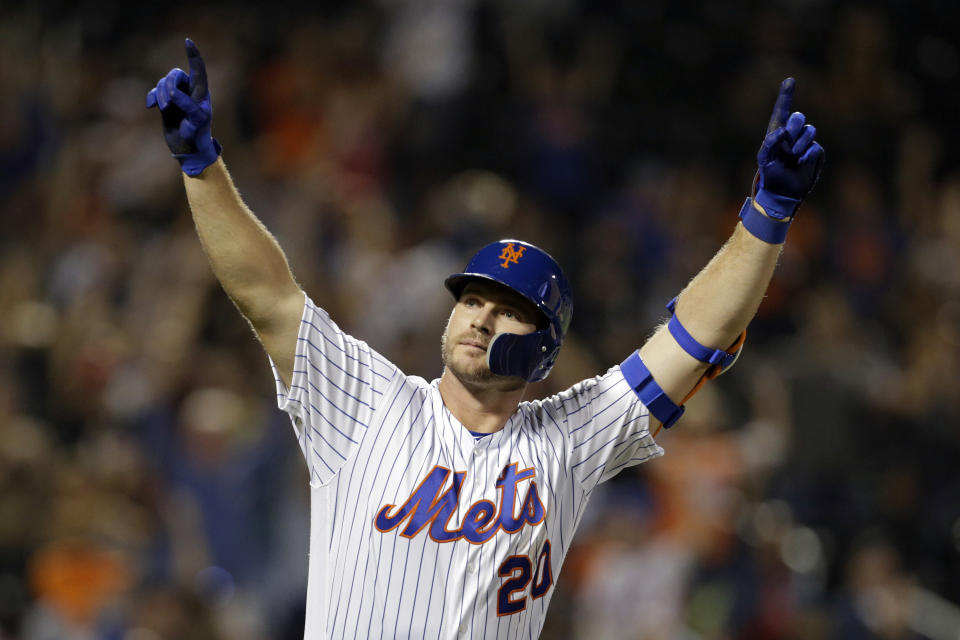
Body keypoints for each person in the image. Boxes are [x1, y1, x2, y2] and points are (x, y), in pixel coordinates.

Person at [146, 38, 823, 639]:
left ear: (546, 349)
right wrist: (201, 167)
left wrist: (766, 215)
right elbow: (266, 294)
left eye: (508, 309)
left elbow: (698, 335)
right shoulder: (367, 400)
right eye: (471, 298)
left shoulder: (567, 439)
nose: (479, 317)